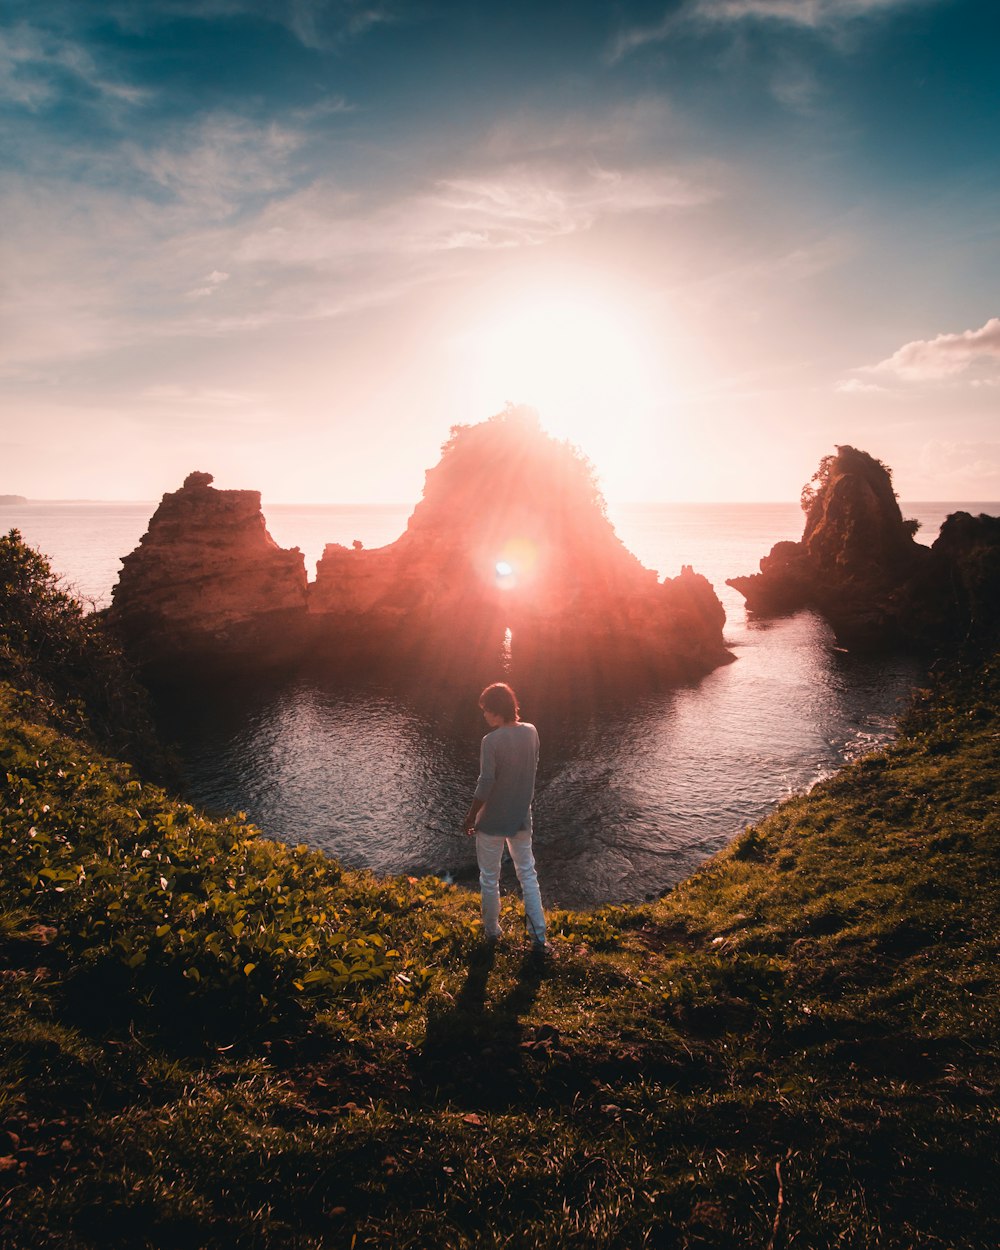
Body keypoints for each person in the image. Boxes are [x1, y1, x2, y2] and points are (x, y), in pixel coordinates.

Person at [463, 681, 548, 951]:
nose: (484, 715)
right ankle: (538, 937)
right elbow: (531, 770)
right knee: (528, 874)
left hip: (491, 822)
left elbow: (486, 783)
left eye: (487, 710)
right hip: (521, 817)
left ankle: (491, 932)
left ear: (497, 710)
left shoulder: (491, 742)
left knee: (489, 877)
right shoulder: (531, 732)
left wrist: (470, 817)